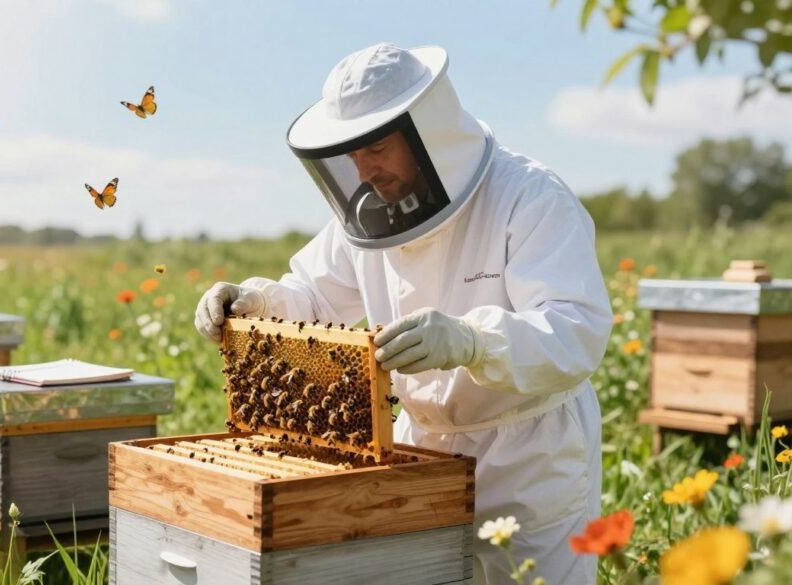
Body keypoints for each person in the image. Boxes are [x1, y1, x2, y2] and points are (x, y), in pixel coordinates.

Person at [194, 42, 611, 585]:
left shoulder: (528, 196)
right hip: (420, 450)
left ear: (428, 135)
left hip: (529, 455)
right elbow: (315, 302)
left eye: (379, 149)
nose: (365, 171)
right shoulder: (368, 218)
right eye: (352, 156)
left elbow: (574, 330)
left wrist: (474, 340)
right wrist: (257, 302)